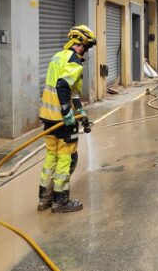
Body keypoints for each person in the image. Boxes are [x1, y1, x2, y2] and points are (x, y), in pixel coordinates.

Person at [38, 25, 96, 213]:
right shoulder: (74, 61)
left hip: (48, 117)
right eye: (85, 47)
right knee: (68, 158)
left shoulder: (58, 56)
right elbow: (63, 86)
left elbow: (72, 91)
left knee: (51, 156)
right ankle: (60, 202)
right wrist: (67, 113)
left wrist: (81, 111)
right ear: (78, 44)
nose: (85, 51)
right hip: (62, 121)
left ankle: (44, 199)